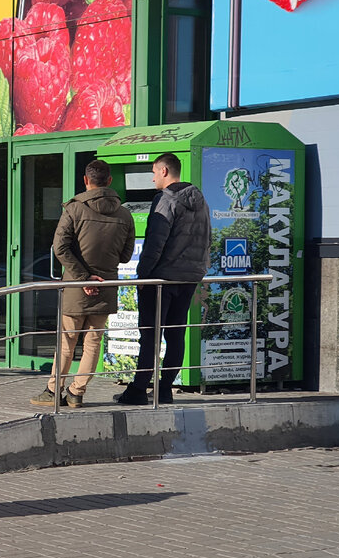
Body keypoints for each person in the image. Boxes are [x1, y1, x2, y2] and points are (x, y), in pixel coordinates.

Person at [31, 159, 135, 408]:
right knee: (93, 342)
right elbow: (125, 256)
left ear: (86, 180)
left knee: (67, 340)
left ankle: (54, 390)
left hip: (77, 287)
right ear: (109, 181)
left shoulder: (74, 209)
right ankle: (77, 393)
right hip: (107, 285)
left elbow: (60, 247)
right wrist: (97, 275)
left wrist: (82, 277)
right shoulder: (124, 214)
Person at [115, 153, 210, 405]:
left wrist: (143, 275)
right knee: (175, 334)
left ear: (165, 171)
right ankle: (164, 389)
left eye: (154, 172)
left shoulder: (165, 200)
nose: (153, 177)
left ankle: (137, 391)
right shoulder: (200, 201)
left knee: (149, 335)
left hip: (161, 279)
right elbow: (207, 237)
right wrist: (199, 270)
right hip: (189, 278)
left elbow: (155, 243)